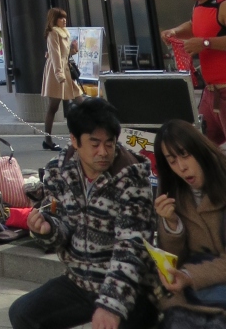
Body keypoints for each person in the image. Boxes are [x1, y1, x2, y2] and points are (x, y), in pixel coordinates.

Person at [9, 97, 157, 329]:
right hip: (79, 282)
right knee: (22, 313)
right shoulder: (59, 171)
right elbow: (61, 228)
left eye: (109, 143)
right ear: (74, 141)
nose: (103, 152)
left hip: (130, 288)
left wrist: (111, 306)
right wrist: (47, 229)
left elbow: (132, 247)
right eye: (94, 143)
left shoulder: (132, 177)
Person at [154, 118, 226, 311]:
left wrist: (189, 276)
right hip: (197, 287)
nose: (181, 167)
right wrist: (172, 225)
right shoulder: (174, 192)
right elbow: (174, 262)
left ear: (199, 149)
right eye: (172, 161)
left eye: (185, 155)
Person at [162, 0, 226, 145]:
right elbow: (194, 25)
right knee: (200, 147)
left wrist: (205, 43)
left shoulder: (222, 5)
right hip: (210, 92)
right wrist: (175, 32)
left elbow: (204, 37)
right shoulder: (198, 6)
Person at [42, 6, 84, 151]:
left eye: (65, 17)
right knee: (53, 107)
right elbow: (55, 56)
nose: (64, 20)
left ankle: (81, 137)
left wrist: (73, 50)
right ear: (54, 19)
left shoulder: (63, 32)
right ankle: (48, 140)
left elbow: (64, 54)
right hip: (57, 72)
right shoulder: (53, 33)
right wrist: (59, 75)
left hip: (64, 71)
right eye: (61, 17)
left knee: (81, 103)